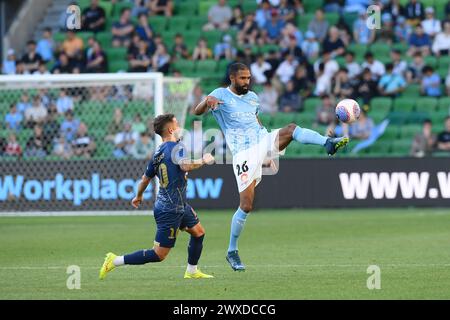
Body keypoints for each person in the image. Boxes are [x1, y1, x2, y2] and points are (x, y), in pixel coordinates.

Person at [193, 63, 349, 271]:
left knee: (291, 129)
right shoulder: (220, 94)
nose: (247, 82)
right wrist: (206, 101)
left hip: (262, 139)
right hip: (243, 153)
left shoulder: (253, 97)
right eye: (242, 79)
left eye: (248, 78)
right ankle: (232, 251)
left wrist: (267, 152)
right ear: (232, 78)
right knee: (247, 205)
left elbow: (256, 122)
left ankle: (327, 143)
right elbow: (197, 112)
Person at [99, 114, 214, 280]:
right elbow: (186, 165)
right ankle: (115, 260)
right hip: (170, 209)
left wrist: (138, 196)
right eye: (177, 123)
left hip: (178, 204)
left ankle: (192, 270)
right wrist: (203, 159)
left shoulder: (158, 152)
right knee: (159, 255)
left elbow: (145, 179)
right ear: (170, 129)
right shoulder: (176, 147)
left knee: (199, 232)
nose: (180, 126)